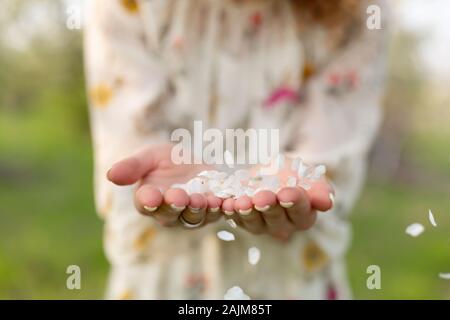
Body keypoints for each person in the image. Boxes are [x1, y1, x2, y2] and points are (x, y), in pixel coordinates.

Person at [84, 0, 388, 299]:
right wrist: (151, 172)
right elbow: (129, 141)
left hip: (291, 281)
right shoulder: (130, 6)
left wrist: (296, 188)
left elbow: (329, 165)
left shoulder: (356, 12)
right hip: (162, 282)